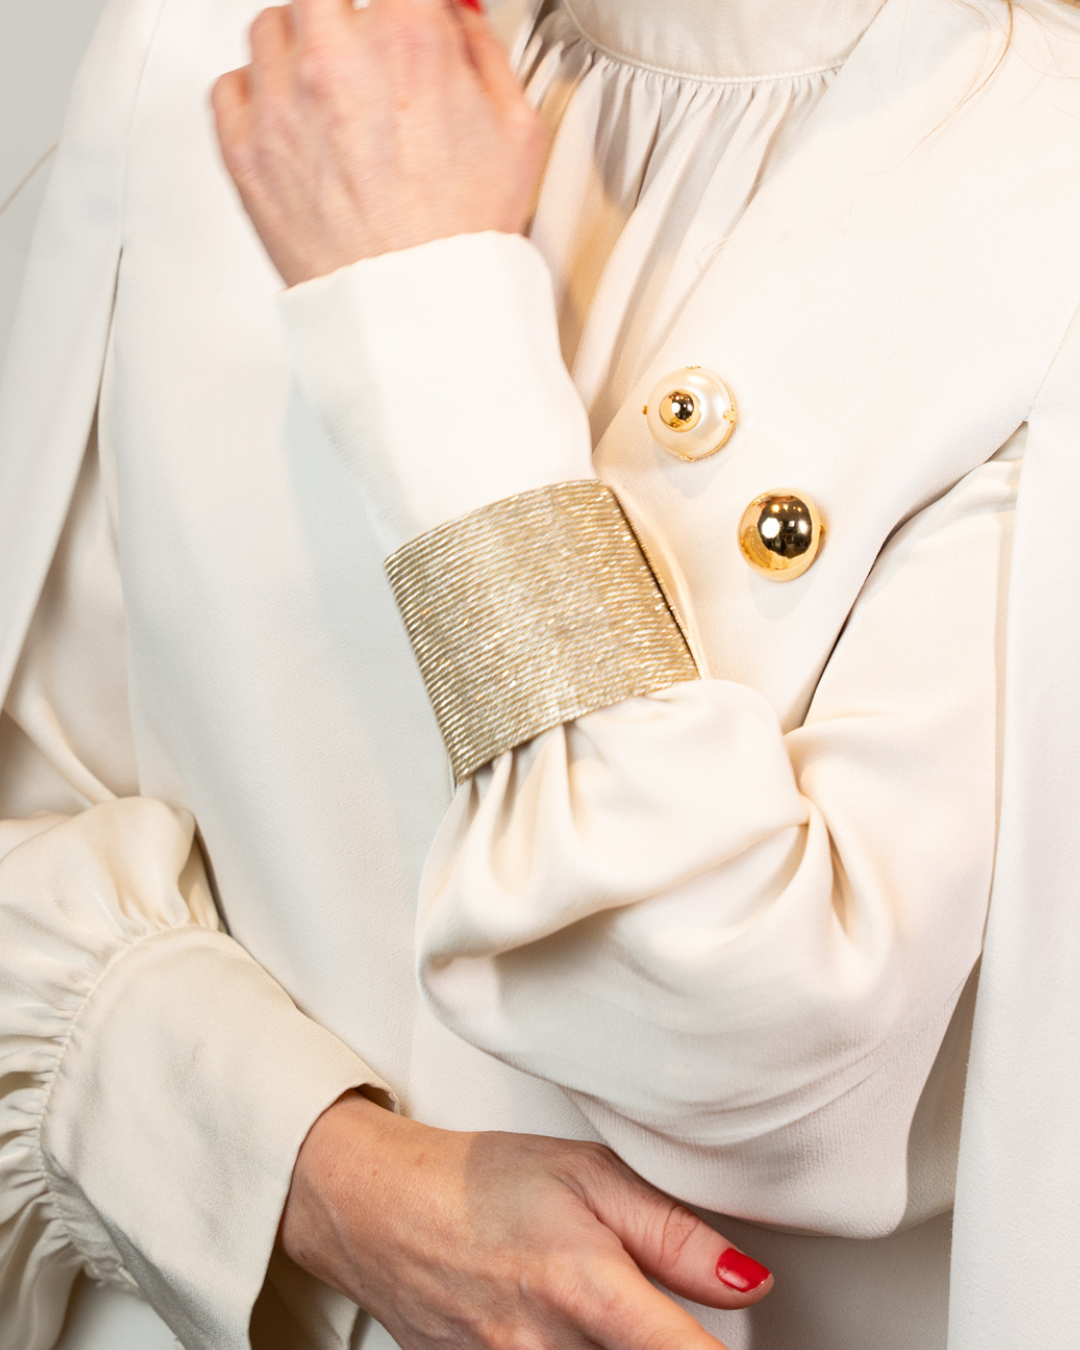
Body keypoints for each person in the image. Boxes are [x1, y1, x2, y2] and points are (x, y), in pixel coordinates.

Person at [2, 0, 1079, 1347]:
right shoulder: (239, 71)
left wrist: (425, 327)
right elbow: (28, 837)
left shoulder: (1042, 203)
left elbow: (773, 1065)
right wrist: (323, 1177)